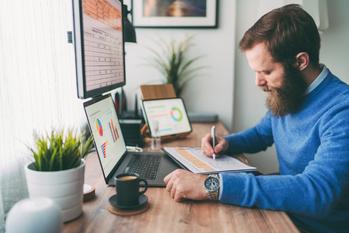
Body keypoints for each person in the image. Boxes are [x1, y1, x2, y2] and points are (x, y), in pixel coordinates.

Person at [163, 4, 349, 233]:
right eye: (256, 71)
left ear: (300, 61)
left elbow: (318, 191)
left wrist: (211, 185)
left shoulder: (342, 110)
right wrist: (229, 142)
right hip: (284, 211)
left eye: (267, 72)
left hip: (310, 226)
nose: (258, 82)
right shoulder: (291, 91)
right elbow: (263, 132)